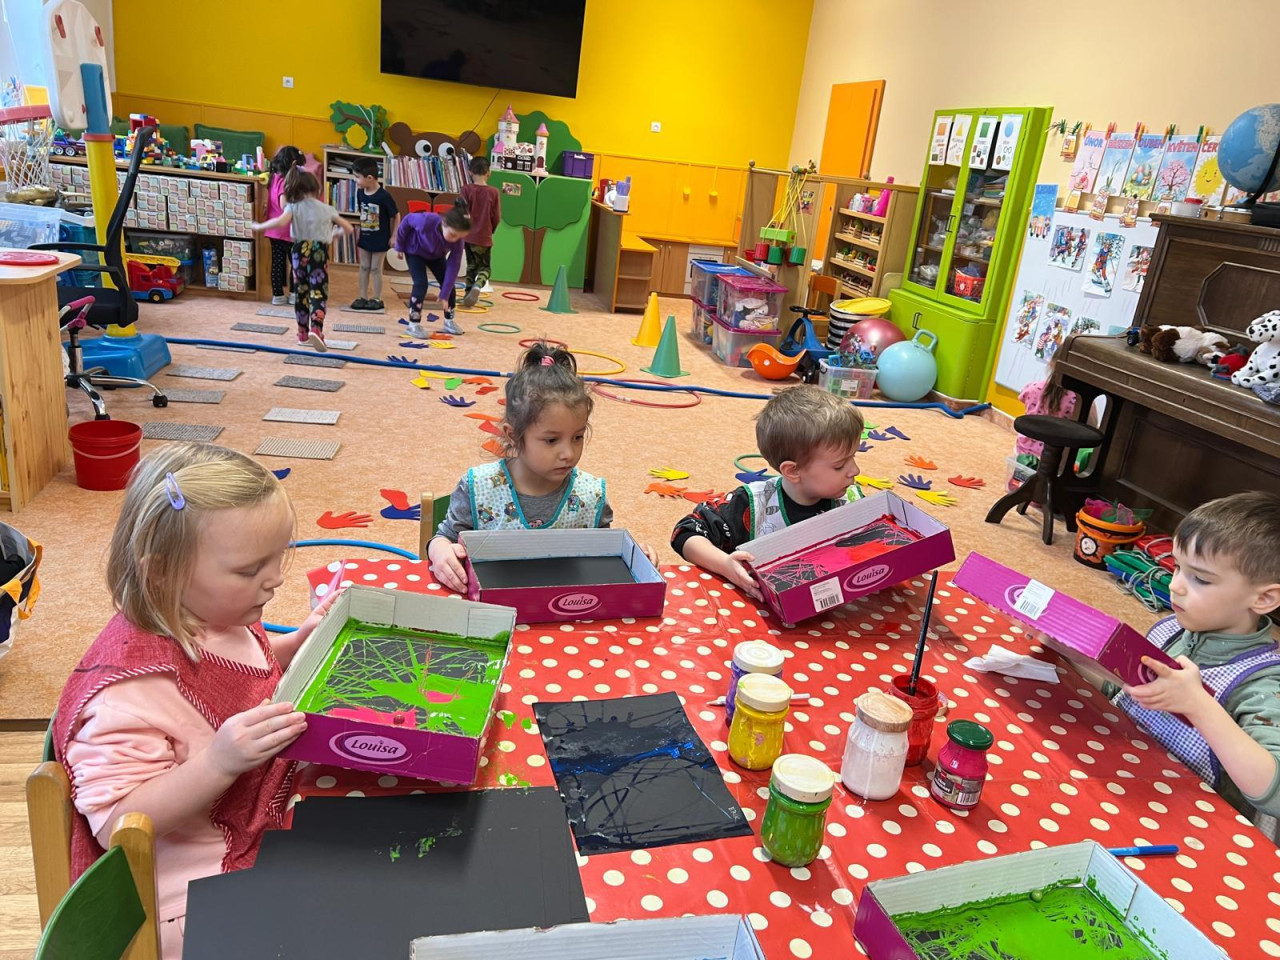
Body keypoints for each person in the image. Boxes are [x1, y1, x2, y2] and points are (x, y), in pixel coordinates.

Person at [52, 442, 342, 960]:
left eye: (279, 557)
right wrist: (217, 763)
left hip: (266, 815)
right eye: (249, 569)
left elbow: (241, 672)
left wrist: (295, 644)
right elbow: (119, 823)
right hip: (194, 895)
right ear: (162, 572)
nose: (275, 579)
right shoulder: (127, 692)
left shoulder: (215, 616)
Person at [1113, 491, 1280, 838]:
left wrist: (1199, 706)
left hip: (1188, 829)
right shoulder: (1170, 629)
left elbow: (1273, 792)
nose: (1175, 586)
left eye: (1200, 579)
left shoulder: (1264, 682)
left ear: (1264, 598)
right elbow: (1123, 692)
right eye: (1177, 567)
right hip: (1127, 785)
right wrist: (1067, 651)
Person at [427, 342, 657, 591]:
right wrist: (439, 551)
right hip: (493, 609)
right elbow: (444, 538)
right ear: (514, 436)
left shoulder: (591, 495)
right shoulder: (479, 487)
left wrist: (634, 558)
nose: (568, 453)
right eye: (551, 440)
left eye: (577, 437)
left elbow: (605, 554)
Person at [671, 385, 864, 599]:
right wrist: (725, 564)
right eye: (839, 465)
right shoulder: (752, 504)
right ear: (793, 471)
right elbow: (686, 533)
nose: (855, 470)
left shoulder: (853, 501)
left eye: (854, 456)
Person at [252, 168, 353, 351]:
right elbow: (349, 228)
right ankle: (316, 328)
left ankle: (302, 333)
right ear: (316, 190)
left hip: (299, 251)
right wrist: (335, 234)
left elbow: (280, 222)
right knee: (318, 292)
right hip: (319, 252)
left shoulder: (293, 207)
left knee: (301, 291)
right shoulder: (327, 209)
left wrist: (260, 226)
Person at [395, 199, 470, 337]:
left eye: (459, 237)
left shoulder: (458, 240)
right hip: (415, 251)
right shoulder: (426, 221)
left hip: (436, 255)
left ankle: (449, 322)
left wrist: (444, 294)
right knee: (421, 283)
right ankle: (413, 325)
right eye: (453, 235)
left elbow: (454, 266)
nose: (455, 240)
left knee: (449, 285)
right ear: (444, 223)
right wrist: (399, 245)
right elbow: (407, 221)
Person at [349, 156, 399, 312]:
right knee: (364, 267)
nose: (355, 180)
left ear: (370, 178)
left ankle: (377, 298)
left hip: (380, 239)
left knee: (376, 268)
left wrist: (394, 236)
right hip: (365, 237)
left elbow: (396, 215)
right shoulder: (360, 193)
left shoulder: (384, 196)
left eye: (357, 177)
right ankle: (362, 297)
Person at [263, 145, 304, 305]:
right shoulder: (285, 181)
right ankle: (294, 294)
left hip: (274, 230)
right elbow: (284, 205)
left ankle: (278, 295)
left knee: (277, 264)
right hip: (287, 230)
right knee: (295, 264)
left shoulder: (273, 177)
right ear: (293, 164)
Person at [459, 156, 500, 308]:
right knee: (485, 268)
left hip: (468, 237)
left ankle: (467, 295)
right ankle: (478, 285)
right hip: (484, 237)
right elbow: (496, 217)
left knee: (471, 266)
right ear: (489, 173)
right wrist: (490, 231)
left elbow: (461, 212)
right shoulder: (494, 192)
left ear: (470, 172)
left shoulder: (466, 189)